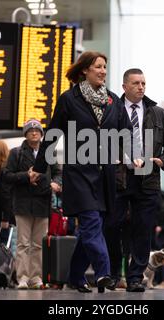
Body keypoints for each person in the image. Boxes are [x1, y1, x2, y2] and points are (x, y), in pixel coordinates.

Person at [30, 51, 134, 293]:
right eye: (98, 66)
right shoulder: (69, 99)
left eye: (105, 67)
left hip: (105, 174)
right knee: (90, 222)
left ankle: (75, 276)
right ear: (85, 70)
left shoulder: (113, 100)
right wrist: (39, 167)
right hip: (79, 173)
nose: (103, 71)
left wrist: (134, 155)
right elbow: (53, 134)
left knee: (94, 226)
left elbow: (125, 131)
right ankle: (104, 273)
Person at [103, 68, 164, 292]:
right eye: (136, 83)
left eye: (144, 83)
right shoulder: (112, 110)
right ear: (125, 87)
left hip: (147, 179)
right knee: (112, 226)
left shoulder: (158, 113)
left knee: (142, 229)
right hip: (119, 177)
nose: (141, 87)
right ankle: (114, 273)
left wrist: (163, 160)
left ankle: (135, 277)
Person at [3, 119, 61, 290]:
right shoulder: (16, 153)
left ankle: (36, 277)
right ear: (25, 134)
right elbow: (7, 176)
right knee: (22, 243)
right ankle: (22, 277)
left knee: (38, 244)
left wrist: (55, 183)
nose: (34, 133)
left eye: (37, 130)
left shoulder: (49, 152)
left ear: (42, 134)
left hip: (43, 203)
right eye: (30, 130)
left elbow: (58, 173)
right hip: (23, 203)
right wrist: (26, 177)